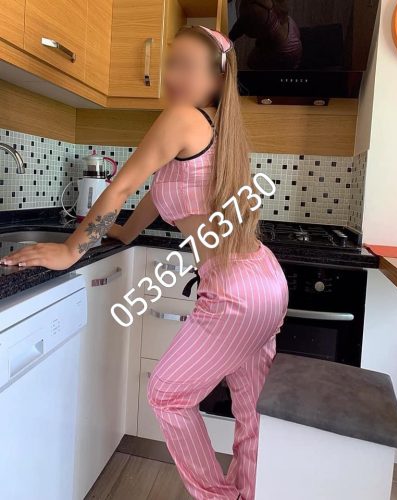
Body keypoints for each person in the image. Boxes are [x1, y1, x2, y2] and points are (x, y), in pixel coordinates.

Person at [0, 25, 288, 500]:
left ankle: (217, 497)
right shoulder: (214, 129)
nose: (172, 75)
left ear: (216, 79)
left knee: (167, 394)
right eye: (170, 62)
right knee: (249, 411)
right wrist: (121, 234)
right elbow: (154, 196)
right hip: (266, 283)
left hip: (235, 293)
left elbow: (120, 187)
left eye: (186, 66)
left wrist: (72, 249)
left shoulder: (182, 117)